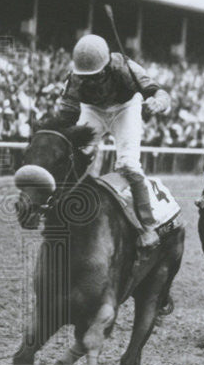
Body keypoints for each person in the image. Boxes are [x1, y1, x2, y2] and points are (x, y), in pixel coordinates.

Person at [50, 34, 171, 248]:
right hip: (93, 111)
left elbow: (158, 92)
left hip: (125, 108)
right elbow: (66, 116)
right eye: (86, 77)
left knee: (128, 164)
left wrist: (158, 102)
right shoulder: (76, 78)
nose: (91, 81)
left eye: (96, 75)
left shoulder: (124, 67)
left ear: (106, 67)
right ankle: (62, 209)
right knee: (78, 153)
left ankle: (148, 225)